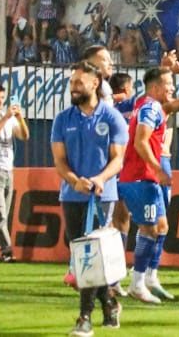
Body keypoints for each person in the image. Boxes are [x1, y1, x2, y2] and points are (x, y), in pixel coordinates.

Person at [52, 61, 128, 337]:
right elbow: (59, 161)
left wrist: (100, 179)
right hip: (71, 194)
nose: (73, 88)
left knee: (90, 256)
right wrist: (74, 180)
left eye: (78, 83)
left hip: (102, 195)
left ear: (94, 84)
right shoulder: (63, 119)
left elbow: (118, 159)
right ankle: (109, 302)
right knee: (79, 253)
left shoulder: (112, 118)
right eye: (72, 83)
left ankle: (84, 318)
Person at [117, 53, 179, 304]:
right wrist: (157, 168)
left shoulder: (155, 107)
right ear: (154, 87)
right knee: (149, 229)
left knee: (159, 226)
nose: (172, 88)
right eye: (168, 84)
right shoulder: (150, 107)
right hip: (141, 176)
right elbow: (141, 142)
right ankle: (137, 282)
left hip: (146, 175)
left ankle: (147, 277)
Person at [0, 83, 28, 262]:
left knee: (3, 212)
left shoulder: (9, 118)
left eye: (1, 97)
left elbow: (24, 136)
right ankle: (7, 251)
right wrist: (5, 118)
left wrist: (20, 118)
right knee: (0, 213)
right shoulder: (0, 118)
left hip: (8, 169)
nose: (0, 101)